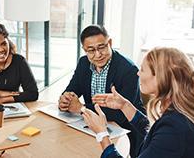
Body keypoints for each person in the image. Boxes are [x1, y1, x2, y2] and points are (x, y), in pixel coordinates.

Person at [83, 47, 194, 158]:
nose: (138, 73)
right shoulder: (180, 111)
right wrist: (125, 105)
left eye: (143, 69)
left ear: (160, 77)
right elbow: (155, 134)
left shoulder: (175, 127)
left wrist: (102, 134)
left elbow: (165, 134)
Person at [58, 25, 146, 157]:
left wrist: (81, 108)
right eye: (91, 50)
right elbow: (72, 90)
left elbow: (121, 115)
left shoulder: (129, 69)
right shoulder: (83, 63)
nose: (98, 55)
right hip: (92, 129)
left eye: (102, 47)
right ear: (84, 50)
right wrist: (65, 100)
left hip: (125, 132)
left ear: (109, 43)